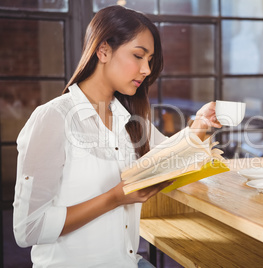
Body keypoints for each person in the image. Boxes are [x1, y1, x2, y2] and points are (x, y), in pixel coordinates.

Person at [13, 5, 221, 267]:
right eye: (138, 56)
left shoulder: (131, 120)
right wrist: (114, 198)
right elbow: (27, 230)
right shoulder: (53, 118)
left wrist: (200, 124)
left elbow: (172, 155)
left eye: (150, 60)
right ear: (103, 50)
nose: (146, 69)